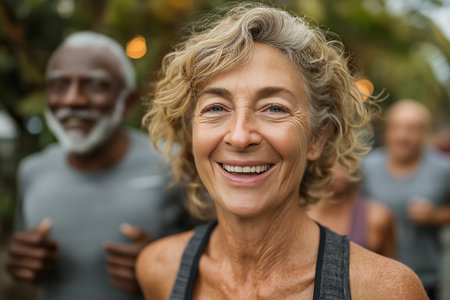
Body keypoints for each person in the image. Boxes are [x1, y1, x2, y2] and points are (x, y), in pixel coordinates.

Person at [136, 4, 427, 299]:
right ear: (190, 135)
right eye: (216, 108)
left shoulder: (386, 290)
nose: (239, 137)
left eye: (274, 108)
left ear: (317, 138)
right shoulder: (160, 269)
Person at [6, 31, 190, 300]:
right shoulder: (32, 171)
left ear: (126, 101)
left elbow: (227, 260)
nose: (72, 100)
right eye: (59, 86)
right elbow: (25, 259)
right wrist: (21, 263)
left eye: (95, 86)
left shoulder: (176, 165)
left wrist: (163, 267)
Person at [362, 99, 450, 299]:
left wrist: (435, 217)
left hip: (424, 278)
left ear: (424, 133)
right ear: (388, 131)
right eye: (396, 127)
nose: (402, 136)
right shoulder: (366, 166)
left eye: (411, 129)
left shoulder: (443, 169)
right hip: (373, 276)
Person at [307, 163, 396, 258]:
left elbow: (391, 266)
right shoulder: (302, 215)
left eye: (345, 162)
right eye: (332, 162)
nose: (339, 172)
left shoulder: (377, 218)